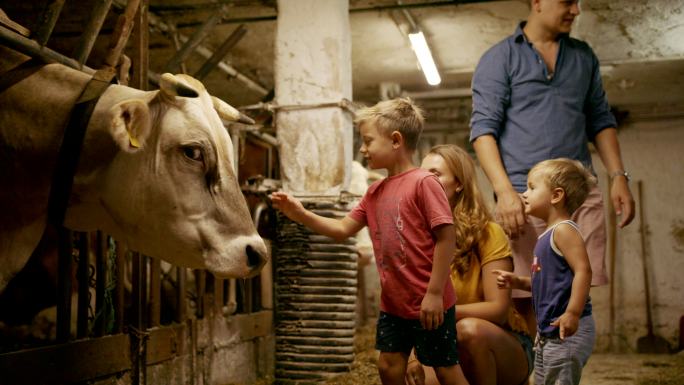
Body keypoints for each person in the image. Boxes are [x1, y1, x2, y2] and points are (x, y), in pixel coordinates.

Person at [270, 98, 468, 385]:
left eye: (367, 141)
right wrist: (300, 214)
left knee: (444, 368)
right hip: (394, 304)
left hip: (428, 300)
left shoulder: (425, 183)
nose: (363, 149)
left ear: (396, 140)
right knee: (388, 366)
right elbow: (342, 229)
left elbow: (446, 236)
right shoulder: (374, 191)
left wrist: (435, 292)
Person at [469, 0, 635, 334]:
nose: (575, 9)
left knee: (574, 288)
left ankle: (563, 368)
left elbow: (601, 119)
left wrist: (618, 176)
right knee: (522, 294)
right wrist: (504, 192)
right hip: (523, 194)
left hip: (577, 195)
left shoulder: (583, 56)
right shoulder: (500, 58)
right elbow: (483, 129)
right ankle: (532, 370)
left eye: (577, 2)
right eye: (566, 1)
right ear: (537, 2)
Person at [406, 144, 533, 385]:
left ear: (459, 184)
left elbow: (498, 309)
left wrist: (439, 312)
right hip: (444, 342)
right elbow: (409, 311)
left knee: (469, 330)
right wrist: (412, 357)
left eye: (434, 174)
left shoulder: (487, 233)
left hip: (499, 343)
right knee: (401, 370)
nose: (424, 182)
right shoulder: (417, 237)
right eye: (420, 175)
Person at [494, 158, 596, 385]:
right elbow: (545, 283)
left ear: (556, 196)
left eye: (532, 187)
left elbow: (583, 271)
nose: (524, 194)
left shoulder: (564, 231)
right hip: (548, 333)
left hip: (566, 331)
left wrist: (573, 313)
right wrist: (517, 282)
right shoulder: (546, 236)